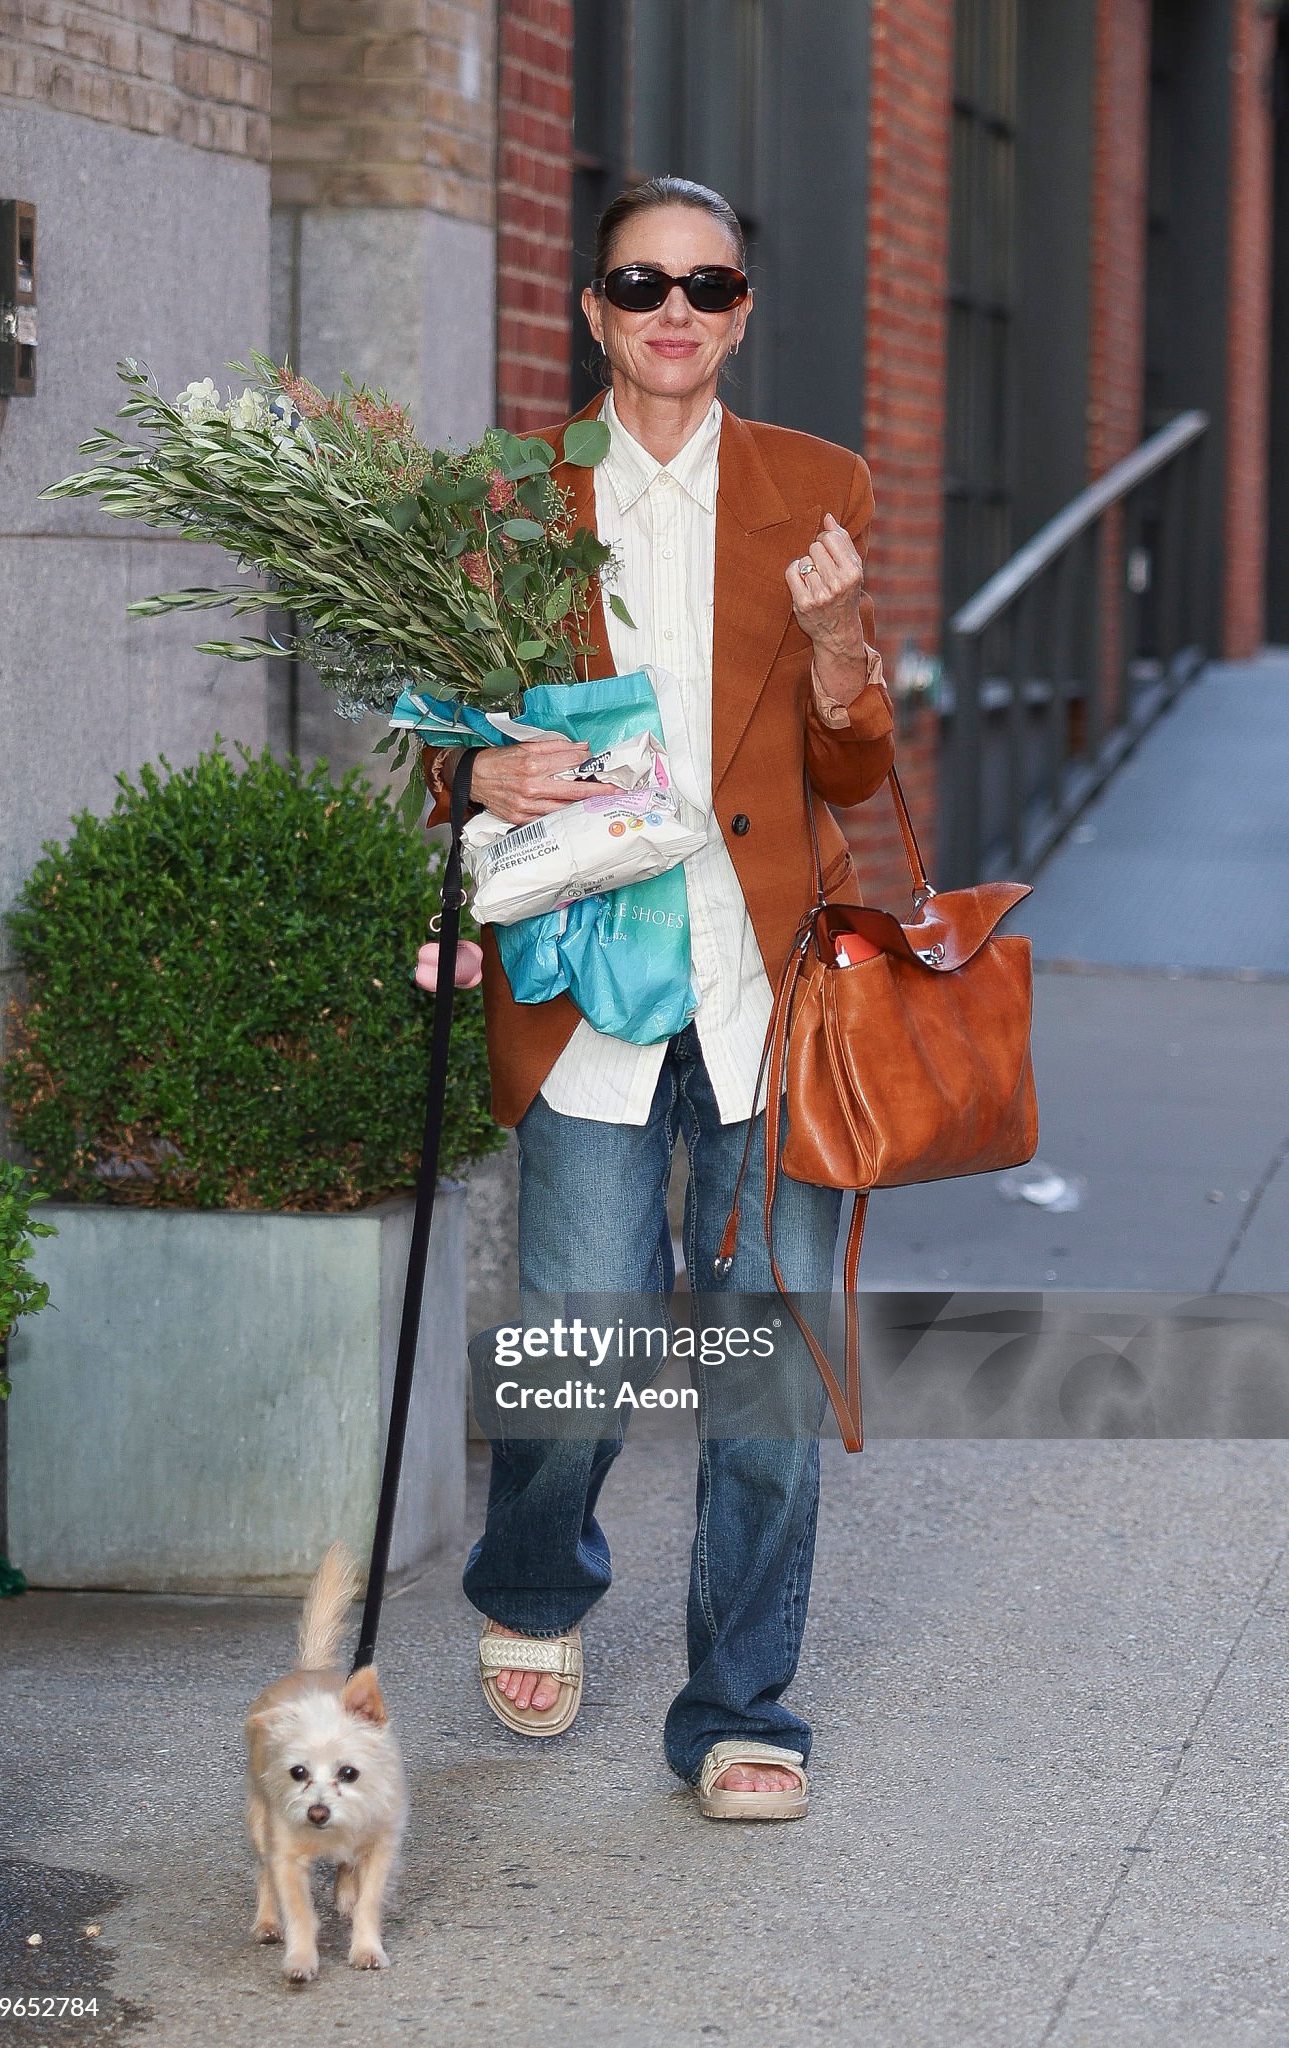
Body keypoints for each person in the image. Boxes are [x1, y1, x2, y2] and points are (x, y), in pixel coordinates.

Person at [421, 175, 895, 1822]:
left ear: (741, 311)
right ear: (593, 312)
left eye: (705, 285)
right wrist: (478, 768)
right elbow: (440, 733)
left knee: (766, 1377)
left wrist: (838, 641)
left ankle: (741, 1707)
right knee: (583, 1338)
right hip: (591, 988)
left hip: (769, 993)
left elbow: (856, 766)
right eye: (640, 284)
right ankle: (533, 1577)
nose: (673, 311)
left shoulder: (818, 487)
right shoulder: (505, 497)